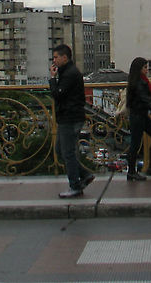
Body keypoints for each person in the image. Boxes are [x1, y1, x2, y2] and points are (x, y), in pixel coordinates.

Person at [49, 44, 94, 198]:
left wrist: (52, 79)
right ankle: (85, 174)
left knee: (67, 152)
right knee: (60, 150)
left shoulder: (70, 74)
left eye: (56, 57)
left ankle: (75, 185)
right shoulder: (67, 71)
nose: (54, 60)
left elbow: (58, 94)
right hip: (69, 116)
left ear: (65, 57)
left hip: (70, 117)